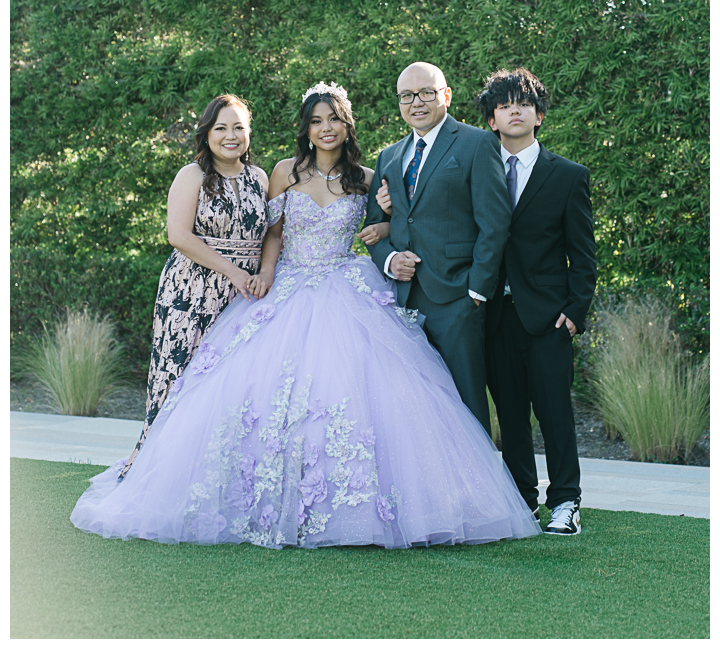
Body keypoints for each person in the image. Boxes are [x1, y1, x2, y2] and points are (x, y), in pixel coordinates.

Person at [70, 81, 540, 549]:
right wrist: (266, 274)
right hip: (288, 284)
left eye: (333, 118)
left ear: (346, 124)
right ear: (306, 128)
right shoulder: (282, 172)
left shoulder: (369, 176)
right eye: (316, 121)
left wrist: (381, 226)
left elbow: (401, 221)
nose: (325, 128)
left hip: (345, 284)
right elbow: (272, 234)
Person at [120, 93, 269, 476]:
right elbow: (179, 236)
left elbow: (273, 233)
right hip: (192, 291)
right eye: (221, 128)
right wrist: (233, 272)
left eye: (239, 127)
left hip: (244, 297)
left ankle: (217, 475)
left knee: (232, 384)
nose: (231, 136)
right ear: (207, 134)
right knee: (179, 376)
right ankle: (157, 472)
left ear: (249, 132)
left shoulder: (260, 178)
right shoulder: (193, 175)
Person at [476, 68, 596, 536]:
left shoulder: (567, 176)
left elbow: (583, 255)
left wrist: (575, 312)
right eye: (504, 105)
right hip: (494, 316)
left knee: (555, 413)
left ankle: (566, 502)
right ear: (492, 120)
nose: (514, 110)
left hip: (548, 318)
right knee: (510, 416)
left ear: (539, 115)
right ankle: (522, 501)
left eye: (523, 103)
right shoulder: (478, 171)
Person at [364, 62, 511, 434]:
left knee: (467, 404)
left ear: (445, 95)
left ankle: (477, 492)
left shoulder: (476, 143)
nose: (417, 102)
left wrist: (476, 291)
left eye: (426, 92)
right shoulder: (390, 156)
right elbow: (375, 230)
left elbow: (494, 224)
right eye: (407, 96)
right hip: (403, 303)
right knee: (414, 409)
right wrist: (391, 260)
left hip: (456, 299)